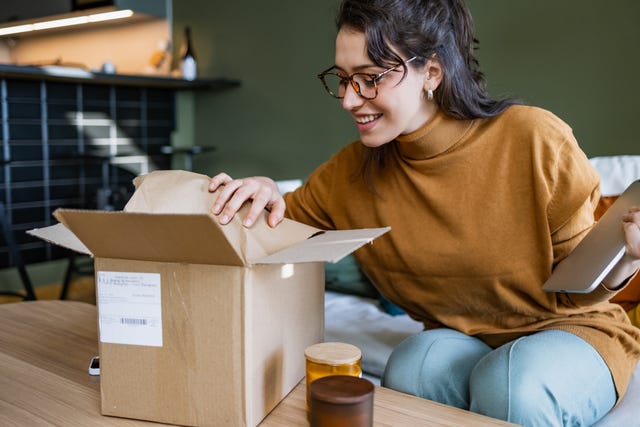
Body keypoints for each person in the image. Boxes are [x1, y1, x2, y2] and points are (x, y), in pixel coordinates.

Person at [208, 0, 640, 425]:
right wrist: (263, 193)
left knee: (510, 384)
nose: (348, 100)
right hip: (467, 342)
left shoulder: (533, 139)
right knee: (413, 365)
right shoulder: (347, 176)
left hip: (572, 333)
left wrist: (629, 258)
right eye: (341, 80)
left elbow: (577, 291)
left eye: (369, 78)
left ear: (431, 72)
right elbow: (276, 228)